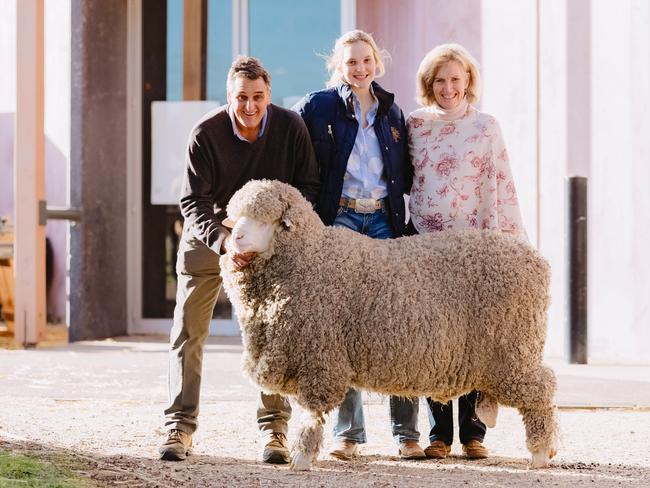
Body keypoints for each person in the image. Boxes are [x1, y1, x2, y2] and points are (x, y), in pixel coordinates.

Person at [159, 56, 320, 463]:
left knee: (273, 333)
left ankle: (275, 431)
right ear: (229, 96)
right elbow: (192, 201)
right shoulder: (206, 133)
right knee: (189, 329)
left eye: (258, 97)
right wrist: (224, 241)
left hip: (267, 240)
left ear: (268, 95)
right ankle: (179, 425)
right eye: (241, 97)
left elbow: (308, 187)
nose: (250, 106)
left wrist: (277, 236)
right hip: (212, 233)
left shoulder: (290, 127)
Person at [294, 30, 425, 461]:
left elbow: (404, 172)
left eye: (366, 60)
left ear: (377, 62)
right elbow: (297, 158)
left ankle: (407, 435)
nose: (360, 68)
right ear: (338, 65)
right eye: (351, 62)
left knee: (397, 324)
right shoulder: (318, 107)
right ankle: (347, 434)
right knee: (340, 326)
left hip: (384, 221)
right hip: (341, 219)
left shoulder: (393, 111)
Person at [407, 43, 526, 460]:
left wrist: (502, 243)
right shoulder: (416, 125)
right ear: (429, 84)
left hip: (474, 245)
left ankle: (472, 434)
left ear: (468, 82)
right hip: (426, 242)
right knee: (435, 337)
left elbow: (499, 182)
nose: (448, 87)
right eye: (440, 80)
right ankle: (438, 432)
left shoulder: (485, 126)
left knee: (474, 335)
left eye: (456, 79)